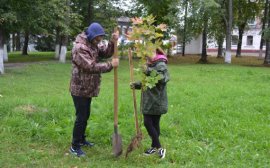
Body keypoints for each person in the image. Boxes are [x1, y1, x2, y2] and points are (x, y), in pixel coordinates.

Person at [69, 23, 119, 157]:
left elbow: (106, 52)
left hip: (88, 87)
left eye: (100, 40)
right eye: (97, 40)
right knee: (81, 118)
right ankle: (74, 146)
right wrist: (110, 65)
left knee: (85, 116)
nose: (99, 42)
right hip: (79, 88)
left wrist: (113, 42)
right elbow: (90, 66)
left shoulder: (93, 45)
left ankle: (82, 139)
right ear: (90, 36)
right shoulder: (79, 48)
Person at [130, 47, 170, 159]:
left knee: (148, 123)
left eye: (150, 53)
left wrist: (147, 70)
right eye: (146, 55)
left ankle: (160, 148)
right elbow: (146, 82)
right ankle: (153, 147)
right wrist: (137, 85)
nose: (148, 56)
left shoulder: (161, 65)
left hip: (157, 100)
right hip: (148, 99)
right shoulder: (149, 65)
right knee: (154, 124)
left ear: (156, 52)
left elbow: (162, 78)